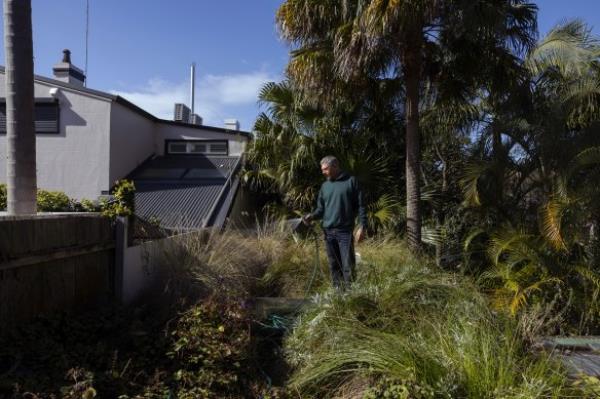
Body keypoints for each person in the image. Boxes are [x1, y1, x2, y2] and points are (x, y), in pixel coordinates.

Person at [303, 156, 367, 289]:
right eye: (322, 170)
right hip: (328, 232)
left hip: (345, 232)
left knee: (348, 265)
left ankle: (351, 296)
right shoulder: (325, 186)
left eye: (325, 169)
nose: (323, 172)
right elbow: (321, 209)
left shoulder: (351, 181)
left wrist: (362, 226)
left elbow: (361, 205)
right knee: (333, 265)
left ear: (335, 167)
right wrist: (312, 216)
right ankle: (337, 296)